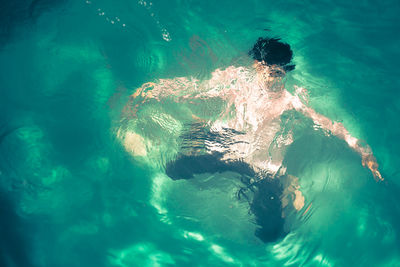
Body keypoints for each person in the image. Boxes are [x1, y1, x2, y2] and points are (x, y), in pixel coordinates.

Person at [117, 37, 383, 242]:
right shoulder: (236, 80)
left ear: (287, 71)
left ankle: (290, 183)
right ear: (257, 65)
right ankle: (197, 133)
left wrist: (364, 152)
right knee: (173, 169)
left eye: (282, 71)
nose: (276, 75)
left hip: (260, 165)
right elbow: (192, 86)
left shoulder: (293, 100)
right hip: (225, 145)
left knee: (271, 232)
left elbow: (332, 125)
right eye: (272, 69)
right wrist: (149, 91)